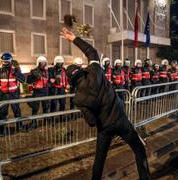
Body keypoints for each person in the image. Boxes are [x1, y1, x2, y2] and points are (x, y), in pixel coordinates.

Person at [61, 27, 151, 180]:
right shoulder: (95, 71)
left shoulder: (78, 99)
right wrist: (74, 39)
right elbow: (92, 52)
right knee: (139, 149)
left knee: (99, 159)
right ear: (81, 70)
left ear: (71, 81)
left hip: (105, 128)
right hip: (121, 120)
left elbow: (91, 122)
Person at [0, 52, 25, 136]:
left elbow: (23, 80)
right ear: (1, 62)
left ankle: (20, 127)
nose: (5, 63)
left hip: (14, 94)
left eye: (7, 62)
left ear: (11, 61)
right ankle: (2, 130)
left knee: (17, 112)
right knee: (2, 113)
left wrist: (16, 73)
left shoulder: (16, 70)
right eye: (4, 61)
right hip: (3, 95)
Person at [27, 56, 49, 128]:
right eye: (42, 62)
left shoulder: (47, 71)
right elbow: (28, 81)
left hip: (45, 91)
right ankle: (34, 123)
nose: (43, 64)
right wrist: (35, 78)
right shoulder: (34, 71)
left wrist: (50, 84)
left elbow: (48, 80)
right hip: (37, 92)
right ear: (38, 63)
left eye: (44, 62)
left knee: (46, 107)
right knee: (35, 108)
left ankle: (46, 122)